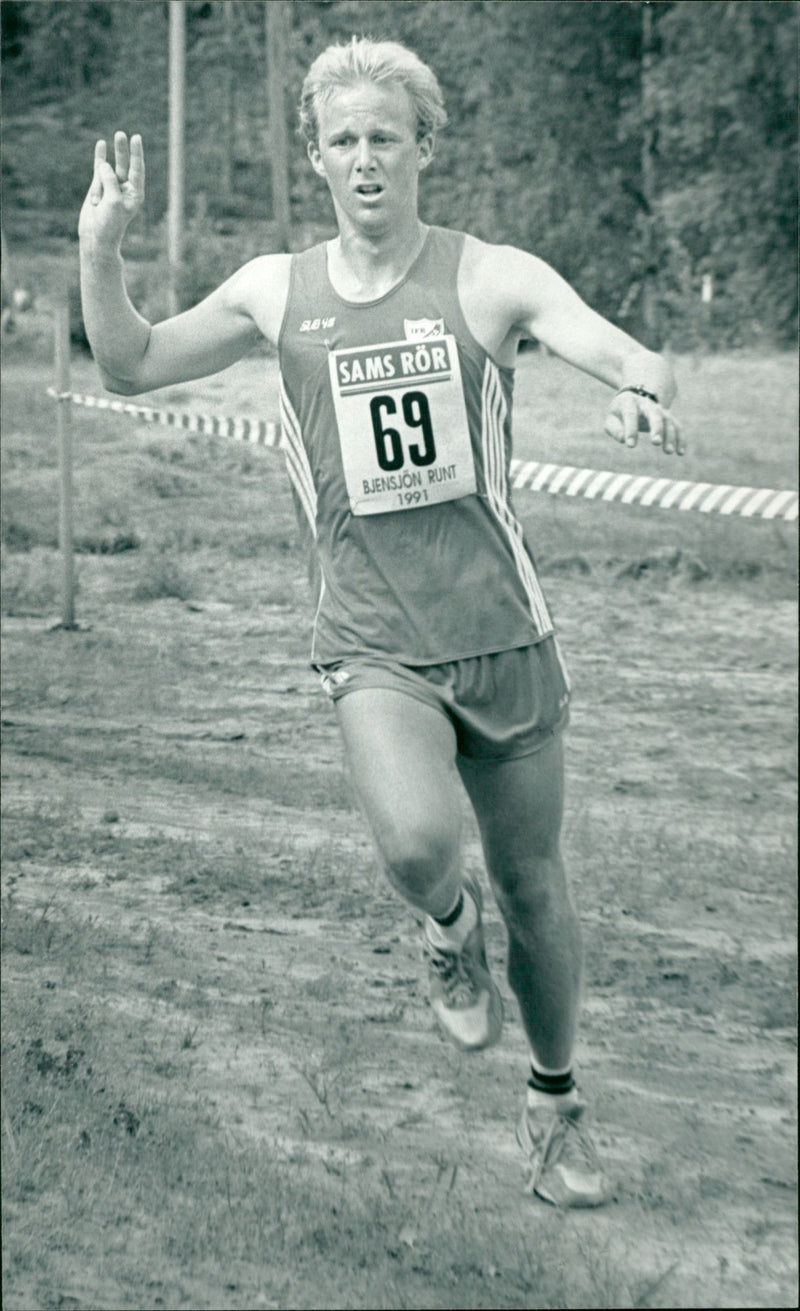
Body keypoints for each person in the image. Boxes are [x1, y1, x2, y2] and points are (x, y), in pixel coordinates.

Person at [79, 36, 683, 1209]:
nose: (365, 159)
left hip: (505, 635)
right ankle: (442, 927)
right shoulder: (273, 289)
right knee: (416, 846)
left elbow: (623, 350)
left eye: (385, 139)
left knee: (537, 890)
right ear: (316, 157)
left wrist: (639, 397)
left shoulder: (487, 276)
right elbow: (130, 364)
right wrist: (99, 253)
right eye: (343, 140)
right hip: (372, 639)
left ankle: (553, 1109)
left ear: (422, 152)